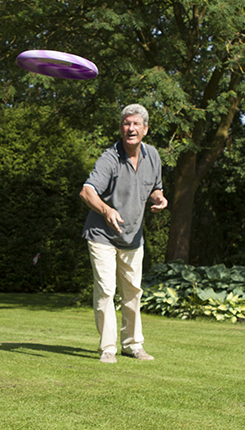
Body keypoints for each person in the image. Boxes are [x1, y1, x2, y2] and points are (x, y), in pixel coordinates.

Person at [79, 103, 168, 364]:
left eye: (136, 124)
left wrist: (159, 198)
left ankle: (132, 344)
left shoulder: (152, 156)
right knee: (106, 290)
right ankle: (108, 347)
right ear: (120, 128)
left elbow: (155, 187)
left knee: (133, 291)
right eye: (126, 124)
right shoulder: (110, 158)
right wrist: (106, 210)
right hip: (102, 235)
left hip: (133, 237)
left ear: (145, 129)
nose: (131, 128)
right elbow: (87, 191)